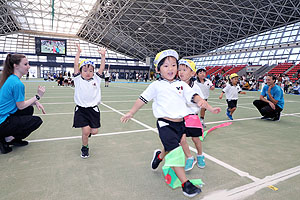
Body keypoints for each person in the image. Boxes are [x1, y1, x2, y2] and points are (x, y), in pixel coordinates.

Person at [120, 50, 220, 198]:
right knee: (175, 152)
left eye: (174, 65)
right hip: (164, 123)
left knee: (169, 148)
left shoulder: (181, 85)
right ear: (158, 69)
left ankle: (159, 157)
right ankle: (186, 184)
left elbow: (195, 97)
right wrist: (131, 112)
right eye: (166, 66)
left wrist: (208, 107)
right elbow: (142, 99)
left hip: (180, 125)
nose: (171, 68)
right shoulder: (156, 85)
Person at [177, 59, 220, 172]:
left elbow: (201, 101)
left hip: (192, 117)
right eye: (179, 69)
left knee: (196, 139)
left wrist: (211, 109)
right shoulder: (176, 85)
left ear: (192, 73)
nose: (181, 72)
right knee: (181, 140)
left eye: (184, 70)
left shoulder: (195, 87)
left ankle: (200, 155)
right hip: (180, 118)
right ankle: (190, 158)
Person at [0, 54, 45, 154]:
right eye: (25, 64)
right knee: (37, 121)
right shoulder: (17, 84)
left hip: (3, 118)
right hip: (2, 122)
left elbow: (19, 103)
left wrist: (35, 102)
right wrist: (37, 96)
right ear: (16, 66)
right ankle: (7, 139)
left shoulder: (11, 79)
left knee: (29, 109)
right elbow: (20, 106)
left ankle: (12, 139)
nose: (28, 66)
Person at [73, 43, 106, 158]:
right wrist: (78, 52)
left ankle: (87, 135)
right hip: (81, 110)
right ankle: (85, 148)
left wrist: (103, 56)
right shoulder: (77, 79)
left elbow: (101, 68)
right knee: (86, 131)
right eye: (85, 70)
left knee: (94, 131)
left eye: (91, 70)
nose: (88, 73)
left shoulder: (96, 79)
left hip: (93, 110)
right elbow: (76, 65)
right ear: (81, 71)